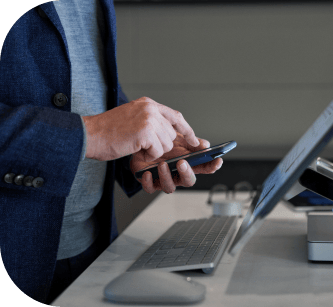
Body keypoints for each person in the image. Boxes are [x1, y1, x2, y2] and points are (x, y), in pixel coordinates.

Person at [0, 0, 222, 304]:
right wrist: (91, 133)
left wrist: (139, 148)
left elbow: (85, 87)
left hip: (94, 249)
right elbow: (91, 126)